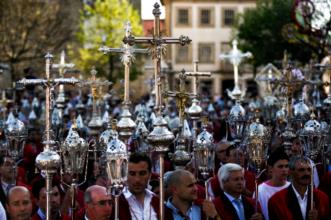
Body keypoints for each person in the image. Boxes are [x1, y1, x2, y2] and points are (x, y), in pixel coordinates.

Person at [268, 156, 330, 220]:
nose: (306, 173)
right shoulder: (277, 201)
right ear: (291, 172)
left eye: (309, 170)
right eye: (301, 170)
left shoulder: (322, 198)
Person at [117, 152, 159, 220]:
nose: (137, 179)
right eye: (132, 174)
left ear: (150, 175)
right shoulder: (117, 202)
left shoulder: (157, 201)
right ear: (125, 175)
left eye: (142, 173)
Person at [255, 148, 290, 220]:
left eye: (286, 166)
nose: (284, 170)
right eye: (280, 166)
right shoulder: (260, 190)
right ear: (270, 169)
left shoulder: (292, 187)